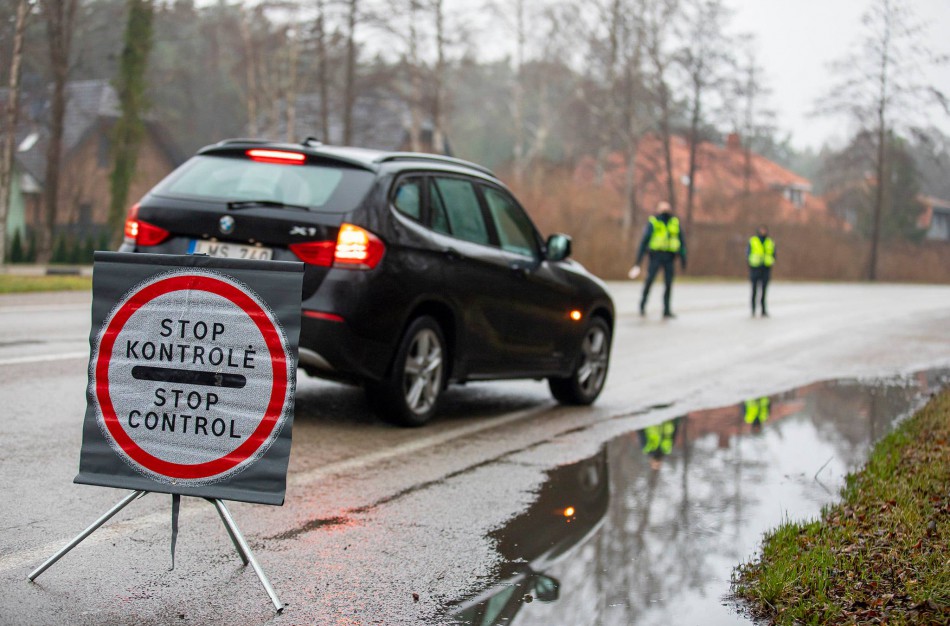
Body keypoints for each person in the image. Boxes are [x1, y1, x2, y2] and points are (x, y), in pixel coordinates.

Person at [630, 201, 686, 318]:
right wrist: (638, 262)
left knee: (668, 283)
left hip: (669, 257)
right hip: (655, 256)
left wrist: (683, 258)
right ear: (658, 210)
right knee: (649, 281)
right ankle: (642, 305)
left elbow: (681, 241)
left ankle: (666, 310)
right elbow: (644, 241)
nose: (665, 211)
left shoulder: (674, 222)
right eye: (663, 209)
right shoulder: (654, 222)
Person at [747, 225, 775, 317]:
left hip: (766, 268)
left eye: (764, 230)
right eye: (761, 230)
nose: (763, 231)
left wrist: (771, 262)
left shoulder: (769, 242)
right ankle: (753, 310)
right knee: (754, 290)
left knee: (764, 291)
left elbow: (774, 254)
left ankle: (763, 310)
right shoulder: (753, 240)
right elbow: (748, 253)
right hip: (755, 268)